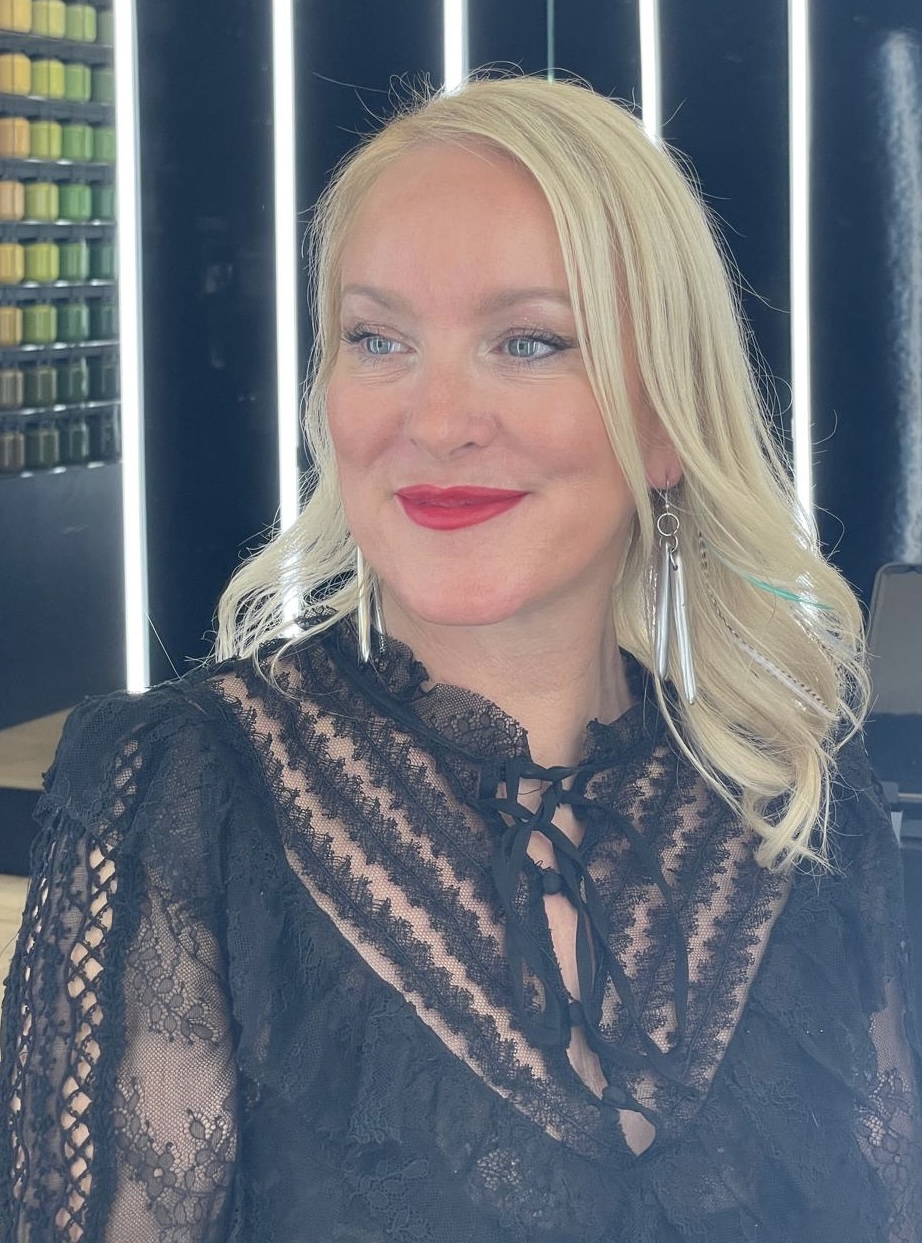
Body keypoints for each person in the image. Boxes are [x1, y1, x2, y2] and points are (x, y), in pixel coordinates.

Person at [1, 73, 920, 1242]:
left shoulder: (798, 806)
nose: (436, 421)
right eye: (377, 339)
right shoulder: (181, 794)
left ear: (662, 418)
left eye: (527, 341)